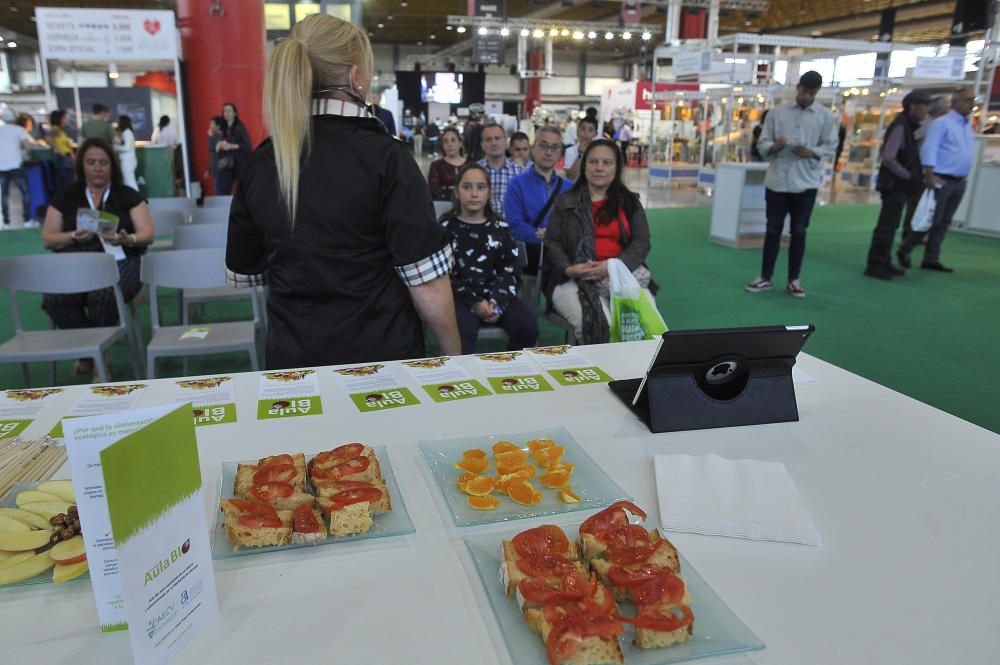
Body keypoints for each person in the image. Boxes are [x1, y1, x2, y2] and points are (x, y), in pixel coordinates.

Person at [226, 13, 461, 369]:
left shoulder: (262, 162)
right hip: (382, 362)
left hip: (293, 360)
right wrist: (455, 355)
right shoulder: (388, 157)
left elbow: (246, 270)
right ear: (356, 77)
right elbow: (426, 282)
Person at [40, 138, 153, 379]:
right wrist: (73, 235)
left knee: (102, 293)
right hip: (76, 263)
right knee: (55, 298)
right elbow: (48, 238)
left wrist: (127, 239)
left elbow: (147, 234)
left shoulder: (128, 195)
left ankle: (92, 356)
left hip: (122, 262)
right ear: (82, 165)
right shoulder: (66, 196)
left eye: (103, 162)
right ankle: (94, 355)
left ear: (113, 166)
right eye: (91, 162)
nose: (98, 167)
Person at [544, 139, 655, 344]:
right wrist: (569, 269)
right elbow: (551, 242)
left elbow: (642, 242)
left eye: (607, 162)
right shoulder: (566, 202)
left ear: (617, 167)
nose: (599, 168)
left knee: (644, 322)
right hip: (573, 280)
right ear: (584, 165)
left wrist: (612, 267)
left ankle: (634, 375)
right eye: (593, 162)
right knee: (600, 324)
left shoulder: (630, 202)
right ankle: (601, 375)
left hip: (621, 276)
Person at [745, 71, 837, 299]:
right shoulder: (777, 113)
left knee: (799, 232)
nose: (807, 97)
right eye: (804, 92)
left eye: (812, 93)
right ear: (798, 87)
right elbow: (762, 145)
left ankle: (794, 280)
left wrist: (811, 152)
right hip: (777, 182)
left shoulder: (825, 117)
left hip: (806, 183)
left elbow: (831, 146)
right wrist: (776, 145)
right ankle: (765, 277)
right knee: (773, 231)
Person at [440, 163, 538, 354]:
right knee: (461, 334)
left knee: (528, 327)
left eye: (481, 187)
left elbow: (510, 270)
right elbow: (444, 276)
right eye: (467, 187)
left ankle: (511, 373)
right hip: (459, 298)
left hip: (496, 294)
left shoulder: (500, 226)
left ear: (489, 192)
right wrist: (475, 303)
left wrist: (497, 302)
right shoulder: (445, 227)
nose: (474, 193)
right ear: (457, 192)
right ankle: (468, 379)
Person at [896, 87, 976, 273]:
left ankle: (932, 258)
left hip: (959, 180)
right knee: (930, 218)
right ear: (955, 102)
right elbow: (929, 149)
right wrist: (929, 174)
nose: (971, 103)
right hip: (941, 178)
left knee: (944, 221)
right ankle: (906, 248)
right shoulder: (942, 123)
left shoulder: (966, 125)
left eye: (973, 100)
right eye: (968, 99)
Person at [863, 90, 932, 280]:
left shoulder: (907, 126)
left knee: (890, 226)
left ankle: (883, 262)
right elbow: (889, 158)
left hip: (898, 184)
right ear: (913, 106)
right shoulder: (901, 126)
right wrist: (907, 175)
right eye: (924, 106)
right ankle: (876, 264)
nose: (926, 110)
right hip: (894, 184)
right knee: (887, 226)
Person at [504, 126, 572, 274]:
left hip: (563, 262)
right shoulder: (516, 184)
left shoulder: (569, 188)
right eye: (543, 146)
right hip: (529, 260)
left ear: (560, 153)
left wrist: (548, 234)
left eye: (554, 148)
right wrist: (549, 237)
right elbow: (514, 225)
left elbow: (573, 226)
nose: (548, 152)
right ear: (533, 149)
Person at [0, 108, 42, 229]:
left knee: (4, 195)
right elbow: (27, 145)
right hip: (16, 165)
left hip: (2, 167)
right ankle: (27, 220)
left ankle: (6, 223)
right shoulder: (19, 130)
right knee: (25, 193)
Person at [478, 123, 524, 220]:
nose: (494, 143)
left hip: (513, 229)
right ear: (482, 145)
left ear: (505, 142)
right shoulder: (474, 171)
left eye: (497, 138)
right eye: (489, 139)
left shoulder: (520, 173)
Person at [216, 102, 252, 195]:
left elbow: (248, 146)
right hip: (228, 163)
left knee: (242, 189)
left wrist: (231, 146)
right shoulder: (223, 128)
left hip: (240, 163)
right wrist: (220, 144)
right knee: (224, 189)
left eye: (229, 111)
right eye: (225, 111)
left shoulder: (239, 126)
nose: (227, 113)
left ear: (235, 113)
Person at [427, 127, 466, 201]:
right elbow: (433, 191)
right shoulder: (436, 166)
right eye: (446, 141)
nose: (450, 144)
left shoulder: (470, 165)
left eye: (453, 140)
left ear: (460, 143)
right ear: (442, 145)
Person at [47, 110, 76, 187]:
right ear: (59, 119)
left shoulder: (60, 130)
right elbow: (49, 139)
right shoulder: (55, 129)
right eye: (64, 117)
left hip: (65, 157)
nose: (66, 119)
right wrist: (59, 151)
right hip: (62, 157)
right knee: (67, 181)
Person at [564, 116, 598, 180]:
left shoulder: (599, 151)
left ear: (595, 134)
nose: (586, 133)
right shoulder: (570, 151)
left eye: (590, 130)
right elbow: (570, 177)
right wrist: (581, 155)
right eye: (583, 129)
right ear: (577, 131)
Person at [115, 115, 138, 190]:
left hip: (128, 160)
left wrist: (116, 147)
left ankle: (137, 199)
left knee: (130, 181)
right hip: (127, 160)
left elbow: (127, 147)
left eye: (118, 121)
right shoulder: (126, 132)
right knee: (127, 181)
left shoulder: (127, 133)